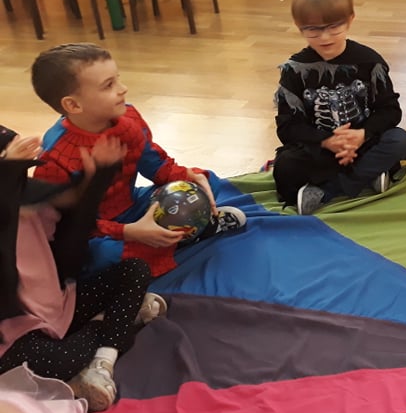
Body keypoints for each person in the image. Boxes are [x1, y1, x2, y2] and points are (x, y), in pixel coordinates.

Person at [29, 44, 247, 278]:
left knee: (204, 182)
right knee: (101, 255)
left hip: (134, 204)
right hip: (96, 231)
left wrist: (187, 177)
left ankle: (167, 241)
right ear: (73, 105)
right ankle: (189, 236)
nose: (123, 89)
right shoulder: (54, 158)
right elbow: (67, 226)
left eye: (118, 79)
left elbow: (154, 163)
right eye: (109, 85)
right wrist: (129, 232)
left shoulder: (128, 117)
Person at [0, 127, 164, 413]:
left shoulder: (31, 197)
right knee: (60, 361)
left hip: (58, 306)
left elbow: (73, 234)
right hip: (12, 333)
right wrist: (8, 174)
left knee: (135, 270)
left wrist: (98, 175)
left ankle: (104, 358)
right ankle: (112, 324)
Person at [273, 0, 406, 214]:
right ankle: (368, 175)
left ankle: (329, 189)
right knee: (285, 166)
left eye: (333, 27)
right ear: (299, 26)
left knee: (400, 140)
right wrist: (326, 141)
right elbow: (287, 128)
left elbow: (390, 111)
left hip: (363, 143)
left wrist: (362, 134)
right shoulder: (294, 71)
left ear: (350, 19)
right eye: (313, 29)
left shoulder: (370, 62)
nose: (325, 37)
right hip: (321, 149)